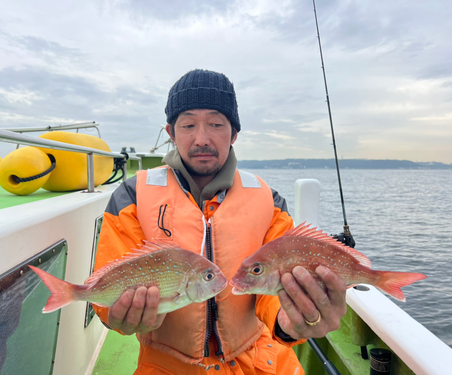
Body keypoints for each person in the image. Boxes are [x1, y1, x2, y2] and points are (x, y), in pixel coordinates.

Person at [93, 69, 347, 374]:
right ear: (171, 133)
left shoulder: (269, 200)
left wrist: (291, 321)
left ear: (234, 133)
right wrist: (114, 313)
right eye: (188, 125)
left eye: (216, 124)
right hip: (166, 364)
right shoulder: (132, 194)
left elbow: (275, 289)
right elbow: (107, 286)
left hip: (260, 360)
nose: (202, 139)